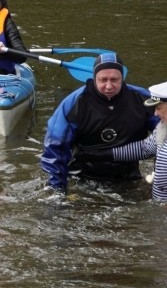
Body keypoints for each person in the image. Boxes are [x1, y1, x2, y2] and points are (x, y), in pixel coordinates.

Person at [40, 53, 160, 193]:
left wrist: (159, 177)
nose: (109, 86)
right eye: (103, 80)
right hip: (82, 176)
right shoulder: (74, 103)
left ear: (122, 78)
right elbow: (55, 149)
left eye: (114, 80)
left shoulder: (143, 100)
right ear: (94, 78)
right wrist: (57, 190)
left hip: (128, 175)